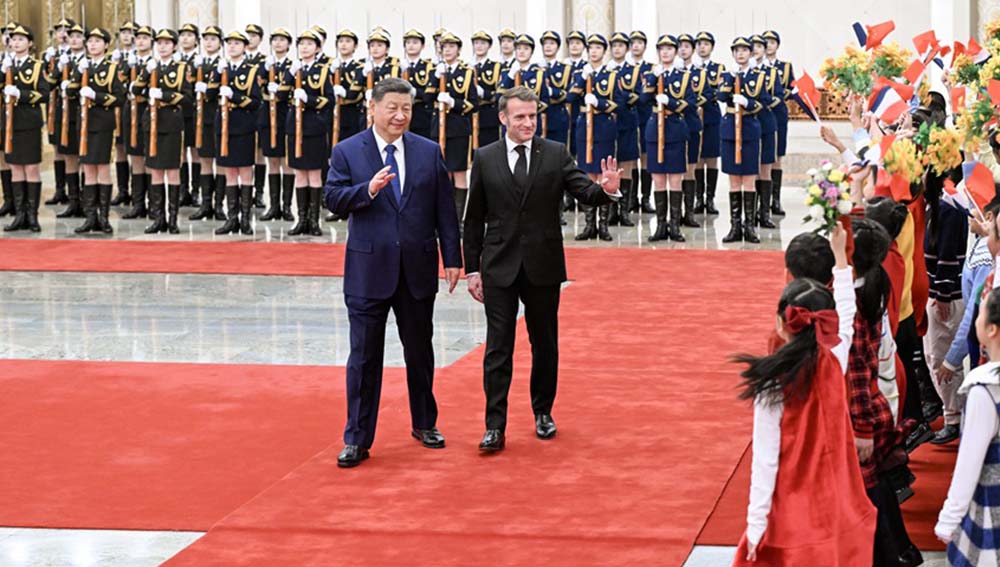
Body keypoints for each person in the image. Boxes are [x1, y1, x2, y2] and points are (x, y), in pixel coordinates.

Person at [463, 86, 622, 452]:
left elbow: (584, 192)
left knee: (545, 344)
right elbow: (473, 220)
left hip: (543, 265)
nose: (528, 123)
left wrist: (607, 190)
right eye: (520, 116)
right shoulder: (485, 157)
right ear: (503, 118)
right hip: (499, 265)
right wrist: (472, 269)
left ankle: (543, 412)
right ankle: (494, 426)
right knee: (498, 348)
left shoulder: (554, 152)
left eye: (533, 116)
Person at [324, 77, 461, 468]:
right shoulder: (347, 151)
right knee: (364, 357)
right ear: (373, 108)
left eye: (407, 109)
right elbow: (333, 198)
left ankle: (424, 422)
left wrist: (453, 258)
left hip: (417, 268)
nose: (400, 116)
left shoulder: (428, 151)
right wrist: (367, 190)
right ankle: (357, 438)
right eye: (392, 108)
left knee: (420, 351)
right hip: (368, 270)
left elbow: (444, 209)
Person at [731, 226, 877, 565]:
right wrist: (841, 259)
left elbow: (765, 458)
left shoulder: (773, 384)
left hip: (791, 502)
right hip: (836, 497)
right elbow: (847, 314)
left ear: (781, 323)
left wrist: (756, 524)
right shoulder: (835, 358)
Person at [935, 287, 1000, 565]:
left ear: (992, 329)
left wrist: (949, 519)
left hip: (991, 506)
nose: (975, 320)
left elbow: (969, 463)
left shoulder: (985, 388)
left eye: (980, 313)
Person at [924, 170, 972, 445]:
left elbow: (948, 254)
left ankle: (954, 417)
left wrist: (942, 291)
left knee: (942, 357)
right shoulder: (937, 205)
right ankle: (952, 412)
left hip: (947, 297)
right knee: (934, 355)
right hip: (938, 293)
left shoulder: (949, 209)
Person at [135, 29, 192, 234]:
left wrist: (164, 95)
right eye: (159, 43)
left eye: (167, 43)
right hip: (152, 123)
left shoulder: (181, 68)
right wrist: (145, 73)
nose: (162, 46)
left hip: (172, 123)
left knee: (173, 170)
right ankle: (158, 218)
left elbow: (187, 98)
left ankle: (173, 219)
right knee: (156, 170)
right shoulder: (151, 66)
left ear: (174, 46)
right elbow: (135, 90)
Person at [568, 33, 622, 241]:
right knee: (587, 176)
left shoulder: (612, 75)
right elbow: (570, 97)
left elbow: (620, 103)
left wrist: (600, 103)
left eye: (598, 48)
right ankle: (589, 224)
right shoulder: (580, 74)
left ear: (604, 51)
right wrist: (582, 79)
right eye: (591, 48)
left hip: (604, 128)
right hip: (585, 128)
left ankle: (603, 225)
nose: (594, 51)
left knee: (604, 175)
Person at [640, 34, 693, 242]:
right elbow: (644, 98)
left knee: (675, 179)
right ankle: (661, 226)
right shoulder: (651, 74)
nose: (665, 52)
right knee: (658, 179)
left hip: (675, 130)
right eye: (662, 49)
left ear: (676, 51)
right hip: (655, 129)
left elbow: (690, 103)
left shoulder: (684, 76)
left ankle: (675, 226)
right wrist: (654, 78)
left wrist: (670, 101)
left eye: (669, 48)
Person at [72, 27, 125, 235]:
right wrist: (77, 74)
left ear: (106, 45)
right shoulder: (82, 66)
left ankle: (103, 217)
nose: (92, 45)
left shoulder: (111, 69)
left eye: (97, 41)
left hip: (102, 124)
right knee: (87, 169)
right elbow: (70, 91)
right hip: (85, 124)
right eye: (90, 41)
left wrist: (96, 96)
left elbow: (119, 98)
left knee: (102, 168)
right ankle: (90, 217)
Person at [718, 36, 769, 244]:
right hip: (730, 129)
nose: (740, 54)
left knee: (748, 179)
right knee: (733, 181)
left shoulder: (759, 77)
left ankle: (749, 227)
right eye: (737, 50)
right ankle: (735, 226)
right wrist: (731, 78)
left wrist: (748, 102)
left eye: (744, 50)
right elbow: (721, 97)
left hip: (749, 129)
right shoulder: (727, 75)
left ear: (751, 53)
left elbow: (764, 102)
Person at [212, 30, 262, 236]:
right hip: (224, 126)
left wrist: (235, 97)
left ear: (244, 47)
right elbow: (209, 94)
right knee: (230, 171)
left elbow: (256, 102)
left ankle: (245, 219)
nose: (232, 47)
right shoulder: (221, 68)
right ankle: (232, 219)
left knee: (245, 171)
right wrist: (217, 74)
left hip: (243, 125)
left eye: (237, 43)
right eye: (230, 43)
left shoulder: (251, 71)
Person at [0, 24, 49, 233]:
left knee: (31, 168)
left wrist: (21, 94)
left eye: (21, 39)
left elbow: (44, 94)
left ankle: (32, 216)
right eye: (13, 39)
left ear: (30, 43)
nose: (16, 42)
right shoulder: (6, 65)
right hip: (10, 123)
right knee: (15, 168)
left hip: (29, 123)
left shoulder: (36, 66)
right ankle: (19, 215)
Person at [284, 28, 332, 237]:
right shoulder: (293, 69)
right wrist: (289, 74)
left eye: (309, 44)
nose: (305, 48)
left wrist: (309, 100)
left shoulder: (323, 71)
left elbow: (329, 100)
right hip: (294, 128)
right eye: (302, 44)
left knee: (314, 174)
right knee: (299, 174)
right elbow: (280, 94)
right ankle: (301, 220)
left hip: (314, 127)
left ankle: (314, 221)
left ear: (317, 48)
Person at [427, 32, 477, 225]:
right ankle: (443, 219)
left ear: (459, 50)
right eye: (444, 47)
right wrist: (435, 78)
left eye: (451, 47)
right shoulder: (436, 71)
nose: (447, 50)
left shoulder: (466, 73)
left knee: (459, 172)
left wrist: (454, 103)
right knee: (442, 173)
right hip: (438, 128)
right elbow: (426, 98)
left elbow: (474, 104)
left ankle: (457, 220)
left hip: (458, 129)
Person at [188, 25, 226, 222]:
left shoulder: (224, 64)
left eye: (213, 39)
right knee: (205, 160)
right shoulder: (196, 64)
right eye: (206, 39)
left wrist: (211, 88)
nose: (209, 42)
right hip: (201, 118)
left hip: (218, 117)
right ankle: (205, 204)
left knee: (220, 162)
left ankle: (219, 205)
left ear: (220, 43)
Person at [257, 27, 294, 222]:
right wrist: (265, 68)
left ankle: (287, 206)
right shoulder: (266, 64)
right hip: (267, 116)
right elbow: (256, 84)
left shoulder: (293, 65)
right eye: (275, 40)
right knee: (272, 161)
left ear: (288, 44)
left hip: (285, 114)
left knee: (286, 161)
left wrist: (280, 89)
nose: (278, 43)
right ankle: (273, 206)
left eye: (282, 40)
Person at [54, 22, 87, 220]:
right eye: (71, 36)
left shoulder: (88, 60)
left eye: (78, 36)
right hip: (65, 113)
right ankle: (73, 201)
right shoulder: (63, 59)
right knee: (68, 156)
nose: (74, 39)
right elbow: (49, 83)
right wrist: (57, 68)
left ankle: (86, 200)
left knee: (85, 158)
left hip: (82, 112)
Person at [40, 18, 73, 209]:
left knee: (72, 149)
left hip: (72, 105)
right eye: (59, 30)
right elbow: (44, 81)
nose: (63, 34)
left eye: (66, 30)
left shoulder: (77, 54)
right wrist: (49, 62)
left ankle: (76, 191)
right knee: (57, 148)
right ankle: (60, 189)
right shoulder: (49, 54)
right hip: (55, 105)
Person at [607, 32, 639, 228]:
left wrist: (621, 98)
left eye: (621, 45)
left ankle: (624, 211)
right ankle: (611, 210)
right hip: (608, 124)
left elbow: (640, 96)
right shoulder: (605, 70)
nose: (617, 49)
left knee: (626, 166)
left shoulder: (634, 71)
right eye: (614, 45)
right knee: (610, 167)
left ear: (627, 49)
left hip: (627, 122)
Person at [120, 25, 153, 220]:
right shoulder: (128, 62)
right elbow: (117, 84)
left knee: (150, 156)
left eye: (145, 38)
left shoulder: (155, 63)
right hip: (130, 110)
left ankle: (153, 203)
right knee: (135, 157)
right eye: (138, 38)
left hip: (148, 110)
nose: (140, 41)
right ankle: (138, 203)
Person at [677, 33, 707, 229]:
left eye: (687, 46)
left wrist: (694, 104)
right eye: (680, 46)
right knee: (674, 171)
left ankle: (688, 213)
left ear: (693, 49)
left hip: (692, 123)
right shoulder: (668, 72)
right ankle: (675, 213)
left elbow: (706, 95)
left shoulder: (700, 73)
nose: (683, 50)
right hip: (673, 125)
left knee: (690, 168)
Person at [694, 31, 724, 216]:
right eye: (699, 44)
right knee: (697, 157)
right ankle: (698, 198)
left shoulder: (718, 69)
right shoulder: (690, 69)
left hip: (711, 115)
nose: (702, 47)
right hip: (694, 115)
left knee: (712, 157)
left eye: (706, 44)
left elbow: (720, 90)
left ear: (712, 47)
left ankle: (710, 199)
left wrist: (703, 98)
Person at [176, 23, 201, 208]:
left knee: (196, 151)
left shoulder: (199, 61)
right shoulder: (175, 61)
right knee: (181, 152)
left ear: (196, 40)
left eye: (189, 35)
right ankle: (182, 191)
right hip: (178, 111)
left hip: (195, 111)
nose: (185, 38)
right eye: (183, 35)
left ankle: (196, 191)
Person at [401, 29, 434, 140]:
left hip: (421, 113)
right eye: (408, 43)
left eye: (415, 43)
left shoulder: (428, 67)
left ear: (422, 46)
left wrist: (415, 92)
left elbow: (430, 92)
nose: (411, 46)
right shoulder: (397, 66)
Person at [471, 30, 501, 148]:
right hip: (470, 115)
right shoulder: (467, 66)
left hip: (489, 115)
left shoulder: (496, 67)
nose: (479, 46)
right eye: (476, 43)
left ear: (489, 46)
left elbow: (499, 92)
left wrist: (484, 93)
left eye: (483, 43)